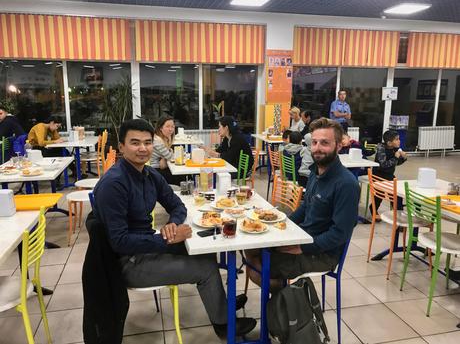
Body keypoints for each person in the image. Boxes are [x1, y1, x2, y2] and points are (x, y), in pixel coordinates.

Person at [93, 119, 256, 338]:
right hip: (127, 262)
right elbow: (119, 242)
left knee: (206, 252)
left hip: (147, 245)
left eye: (147, 142)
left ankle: (221, 304)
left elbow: (177, 204)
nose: (143, 148)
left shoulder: (149, 175)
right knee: (205, 269)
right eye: (135, 143)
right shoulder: (115, 183)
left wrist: (172, 224)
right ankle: (224, 326)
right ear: (122, 147)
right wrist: (166, 239)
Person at [244, 118, 360, 290]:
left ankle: (289, 306)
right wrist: (283, 223)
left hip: (322, 254)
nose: (318, 148)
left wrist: (303, 247)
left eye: (325, 143)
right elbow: (306, 206)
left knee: (257, 266)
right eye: (314, 142)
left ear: (339, 146)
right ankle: (285, 299)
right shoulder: (315, 172)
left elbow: (339, 234)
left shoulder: (346, 184)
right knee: (251, 249)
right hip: (302, 237)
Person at [370, 130, 407, 219]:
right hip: (378, 176)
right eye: (397, 139)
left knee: (397, 195)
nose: (399, 141)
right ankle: (373, 209)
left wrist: (403, 158)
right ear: (389, 143)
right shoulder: (381, 149)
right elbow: (383, 165)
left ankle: (397, 215)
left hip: (389, 176)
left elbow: (395, 163)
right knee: (380, 195)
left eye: (399, 139)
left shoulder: (395, 149)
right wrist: (395, 157)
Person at [149, 115, 184, 185]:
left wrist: (165, 156)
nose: (170, 129)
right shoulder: (157, 141)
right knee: (183, 177)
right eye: (167, 126)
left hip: (160, 168)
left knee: (184, 176)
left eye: (172, 127)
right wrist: (170, 151)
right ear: (160, 128)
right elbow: (171, 157)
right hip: (154, 171)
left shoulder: (162, 139)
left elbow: (168, 155)